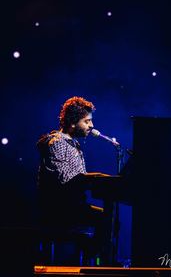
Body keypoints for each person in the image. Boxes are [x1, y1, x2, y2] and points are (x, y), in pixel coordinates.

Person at [37, 96, 105, 261]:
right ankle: (91, 258)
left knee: (110, 218)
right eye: (87, 121)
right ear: (73, 122)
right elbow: (65, 179)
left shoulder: (73, 144)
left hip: (73, 206)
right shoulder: (57, 143)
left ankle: (89, 256)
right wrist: (94, 179)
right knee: (106, 220)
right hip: (59, 208)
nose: (92, 126)